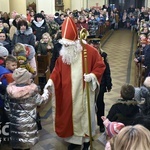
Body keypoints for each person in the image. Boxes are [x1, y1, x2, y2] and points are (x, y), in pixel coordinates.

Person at [42, 17, 106, 150]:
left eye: (68, 45)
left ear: (76, 42)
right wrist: (50, 82)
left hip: (84, 91)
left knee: (85, 115)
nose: (66, 47)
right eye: (64, 45)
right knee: (71, 116)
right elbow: (57, 71)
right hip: (68, 93)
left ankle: (87, 139)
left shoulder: (89, 51)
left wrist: (92, 76)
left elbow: (100, 65)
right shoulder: (64, 55)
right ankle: (75, 140)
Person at [6, 68, 49, 150]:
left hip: (15, 123)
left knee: (17, 142)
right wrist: (46, 93)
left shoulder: (9, 92)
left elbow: (7, 107)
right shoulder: (31, 92)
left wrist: (12, 117)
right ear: (26, 79)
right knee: (27, 143)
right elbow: (41, 101)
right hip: (28, 123)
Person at [88, 39, 112, 132]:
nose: (95, 45)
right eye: (93, 43)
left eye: (97, 44)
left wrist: (108, 83)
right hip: (89, 83)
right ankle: (90, 125)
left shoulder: (103, 55)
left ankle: (101, 124)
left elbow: (107, 70)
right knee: (90, 106)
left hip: (100, 83)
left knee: (100, 104)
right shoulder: (86, 55)